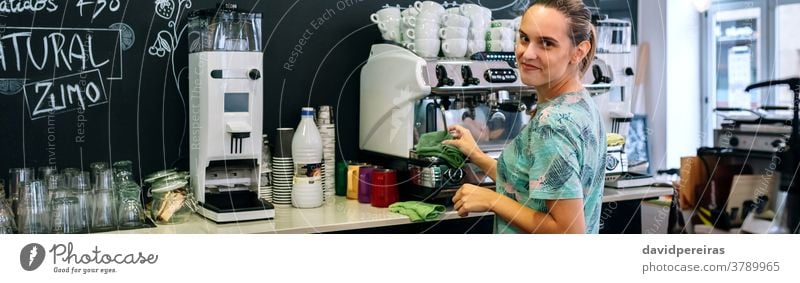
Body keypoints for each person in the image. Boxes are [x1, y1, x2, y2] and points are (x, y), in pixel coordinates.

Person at [443, 0, 606, 233]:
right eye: (524, 38)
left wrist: (493, 201)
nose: (526, 53)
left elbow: (568, 231)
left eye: (546, 43)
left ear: (579, 51)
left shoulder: (552, 123)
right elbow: (533, 186)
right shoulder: (581, 102)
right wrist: (478, 156)